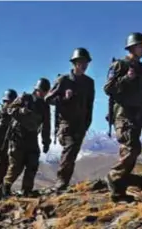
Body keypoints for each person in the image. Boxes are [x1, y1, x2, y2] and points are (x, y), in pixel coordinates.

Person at [103, 32, 142, 202]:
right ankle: (114, 177)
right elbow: (108, 88)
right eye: (140, 46)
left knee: (131, 150)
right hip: (123, 114)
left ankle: (119, 191)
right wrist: (125, 79)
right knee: (132, 148)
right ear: (132, 47)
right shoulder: (120, 65)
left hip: (137, 115)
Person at [45, 48, 95, 192]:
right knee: (70, 150)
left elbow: (89, 105)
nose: (84, 65)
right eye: (81, 62)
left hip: (81, 124)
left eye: (86, 62)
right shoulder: (63, 80)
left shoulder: (89, 83)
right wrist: (64, 98)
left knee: (72, 154)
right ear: (74, 63)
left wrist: (87, 124)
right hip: (65, 124)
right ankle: (61, 183)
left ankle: (62, 183)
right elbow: (49, 99)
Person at [3, 78, 51, 197]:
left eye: (45, 91)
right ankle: (5, 187)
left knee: (33, 163)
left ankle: (26, 190)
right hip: (18, 137)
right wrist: (21, 111)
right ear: (36, 89)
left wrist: (46, 142)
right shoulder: (25, 98)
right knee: (16, 166)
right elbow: (10, 109)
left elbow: (46, 125)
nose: (43, 93)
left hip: (32, 137)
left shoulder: (45, 106)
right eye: (41, 90)